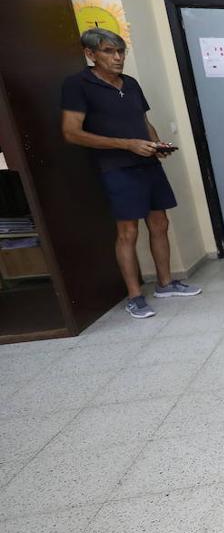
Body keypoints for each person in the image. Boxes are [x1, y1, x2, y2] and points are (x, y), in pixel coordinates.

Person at [61, 28, 201, 319]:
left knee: (160, 222)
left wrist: (156, 144)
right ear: (90, 54)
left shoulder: (132, 83)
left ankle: (165, 283)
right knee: (128, 231)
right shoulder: (78, 85)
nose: (117, 58)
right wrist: (127, 145)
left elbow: (143, 121)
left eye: (120, 51)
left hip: (147, 163)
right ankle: (135, 295)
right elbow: (71, 133)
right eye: (109, 52)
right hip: (115, 167)